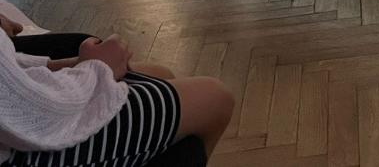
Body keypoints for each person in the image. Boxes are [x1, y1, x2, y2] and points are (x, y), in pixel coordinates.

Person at [0, 23, 234, 165]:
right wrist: (96, 69)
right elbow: (35, 113)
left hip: (20, 108)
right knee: (214, 98)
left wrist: (59, 66)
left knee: (159, 73)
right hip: (21, 145)